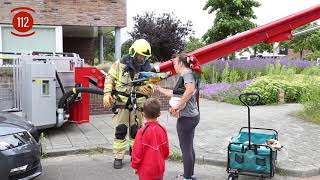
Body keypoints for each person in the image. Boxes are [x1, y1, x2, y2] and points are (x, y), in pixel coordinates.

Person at [103, 39, 155, 169]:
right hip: (122, 103)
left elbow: (152, 83)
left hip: (138, 105)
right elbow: (109, 78)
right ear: (133, 52)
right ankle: (118, 157)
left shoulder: (148, 67)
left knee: (136, 132)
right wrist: (107, 93)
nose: (142, 59)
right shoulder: (119, 65)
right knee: (120, 130)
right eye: (140, 55)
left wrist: (149, 87)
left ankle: (135, 155)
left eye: (144, 57)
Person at [156, 54, 200, 180]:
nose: (174, 66)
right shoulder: (188, 74)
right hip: (192, 117)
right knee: (189, 147)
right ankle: (190, 175)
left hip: (186, 118)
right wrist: (160, 89)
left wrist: (176, 107)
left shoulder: (187, 75)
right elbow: (175, 93)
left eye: (175, 63)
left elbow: (190, 90)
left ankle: (186, 177)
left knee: (186, 148)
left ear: (181, 63)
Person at [131, 98, 169, 180]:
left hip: (145, 170)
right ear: (159, 114)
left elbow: (137, 151)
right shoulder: (163, 129)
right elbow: (166, 149)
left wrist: (135, 166)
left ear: (143, 114)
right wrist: (164, 157)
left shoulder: (141, 132)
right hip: (159, 168)